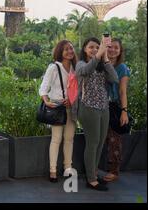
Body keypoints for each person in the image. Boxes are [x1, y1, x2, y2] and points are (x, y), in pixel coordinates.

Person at [72, 37, 118, 191]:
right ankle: (91, 179)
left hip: (104, 108)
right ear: (85, 49)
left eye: (97, 47)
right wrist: (99, 55)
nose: (94, 49)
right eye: (91, 47)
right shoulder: (81, 64)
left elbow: (114, 78)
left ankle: (93, 172)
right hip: (88, 107)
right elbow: (84, 72)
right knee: (92, 143)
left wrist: (105, 59)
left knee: (99, 143)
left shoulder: (102, 65)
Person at [39, 40, 77, 183]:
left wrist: (72, 100)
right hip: (57, 108)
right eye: (66, 49)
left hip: (71, 108)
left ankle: (68, 168)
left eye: (71, 48)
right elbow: (44, 86)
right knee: (56, 139)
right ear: (60, 51)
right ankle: (53, 170)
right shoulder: (54, 67)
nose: (69, 51)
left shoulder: (75, 67)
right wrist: (46, 100)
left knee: (69, 139)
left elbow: (78, 88)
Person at [103, 38, 130, 182]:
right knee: (102, 138)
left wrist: (124, 111)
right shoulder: (101, 64)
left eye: (116, 48)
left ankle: (114, 171)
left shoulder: (122, 68)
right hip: (100, 106)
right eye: (110, 47)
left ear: (120, 51)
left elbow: (122, 91)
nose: (112, 50)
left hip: (115, 107)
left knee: (114, 139)